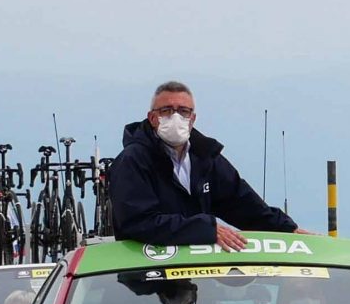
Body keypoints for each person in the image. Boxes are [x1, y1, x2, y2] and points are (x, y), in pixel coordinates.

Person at [106, 81, 296, 250]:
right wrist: (204, 229)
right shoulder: (132, 161)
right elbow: (138, 222)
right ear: (153, 118)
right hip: (144, 276)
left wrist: (288, 229)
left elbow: (241, 202)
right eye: (166, 110)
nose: (175, 117)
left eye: (183, 111)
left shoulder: (205, 157)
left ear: (192, 118)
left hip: (198, 276)